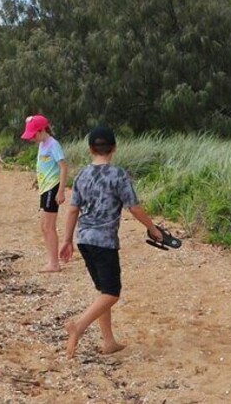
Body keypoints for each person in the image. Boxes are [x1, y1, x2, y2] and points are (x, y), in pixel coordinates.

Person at [59, 126, 165, 357]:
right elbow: (134, 207)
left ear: (90, 149)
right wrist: (152, 228)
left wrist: (66, 240)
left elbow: (72, 210)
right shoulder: (117, 175)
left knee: (102, 291)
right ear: (114, 148)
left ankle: (108, 341)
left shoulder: (82, 175)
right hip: (104, 241)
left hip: (84, 240)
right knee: (112, 293)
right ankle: (78, 327)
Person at [21, 114, 68, 272]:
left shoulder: (53, 145)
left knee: (48, 226)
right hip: (45, 187)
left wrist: (61, 191)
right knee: (44, 226)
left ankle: (54, 263)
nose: (31, 138)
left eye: (33, 135)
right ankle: (52, 260)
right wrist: (37, 179)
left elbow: (63, 167)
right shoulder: (42, 144)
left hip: (52, 188)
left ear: (41, 131)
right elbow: (44, 165)